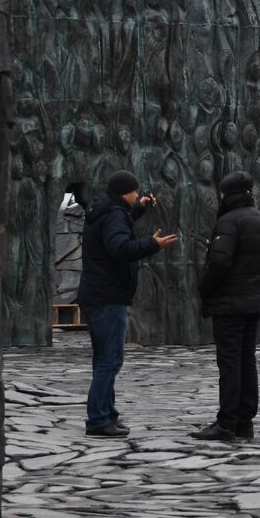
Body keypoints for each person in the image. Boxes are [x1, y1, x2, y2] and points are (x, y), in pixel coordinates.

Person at [77, 170, 179, 438]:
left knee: (105, 359)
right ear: (124, 192)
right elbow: (119, 248)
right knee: (109, 361)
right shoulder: (113, 214)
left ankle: (106, 414)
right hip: (107, 297)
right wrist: (152, 244)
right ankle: (98, 419)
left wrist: (139, 211)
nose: (137, 194)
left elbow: (115, 229)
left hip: (98, 295)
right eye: (135, 192)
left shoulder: (106, 210)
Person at [193, 171, 260, 442]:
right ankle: (244, 422)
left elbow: (219, 262)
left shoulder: (229, 222)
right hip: (252, 300)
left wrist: (204, 288)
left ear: (226, 194)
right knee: (246, 361)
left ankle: (227, 422)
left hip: (229, 303)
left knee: (229, 363)